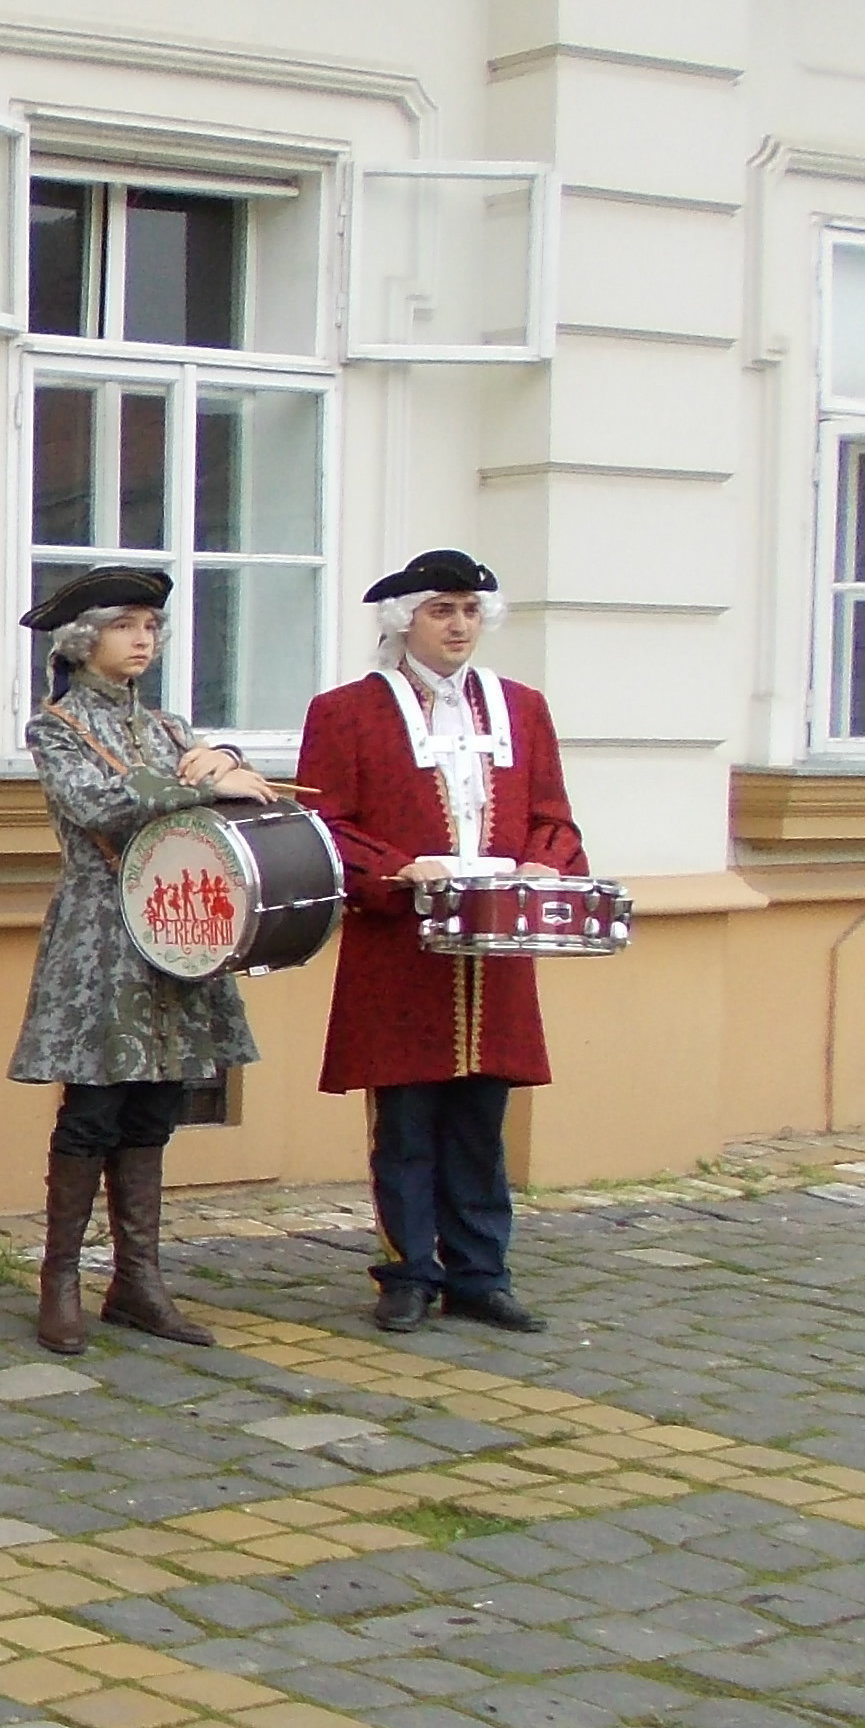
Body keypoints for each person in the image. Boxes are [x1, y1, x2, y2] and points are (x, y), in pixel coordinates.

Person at [295, 549, 586, 1335]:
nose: (458, 626)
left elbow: (555, 817)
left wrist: (539, 864)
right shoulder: (347, 712)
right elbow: (325, 827)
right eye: (440, 610)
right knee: (407, 1116)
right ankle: (408, 1271)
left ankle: (480, 1272)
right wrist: (399, 870)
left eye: (467, 610)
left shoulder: (522, 707)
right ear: (405, 620)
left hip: (493, 947)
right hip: (401, 943)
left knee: (480, 1116)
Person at [9, 571, 278, 1354]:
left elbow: (215, 788)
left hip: (172, 929)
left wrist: (222, 761)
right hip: (99, 940)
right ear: (84, 639)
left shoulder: (168, 726)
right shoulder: (54, 726)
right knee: (92, 1110)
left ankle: (138, 1280)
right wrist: (204, 778)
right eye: (126, 626)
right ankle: (59, 1279)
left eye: (152, 627)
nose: (143, 640)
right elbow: (100, 805)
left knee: (156, 1105)